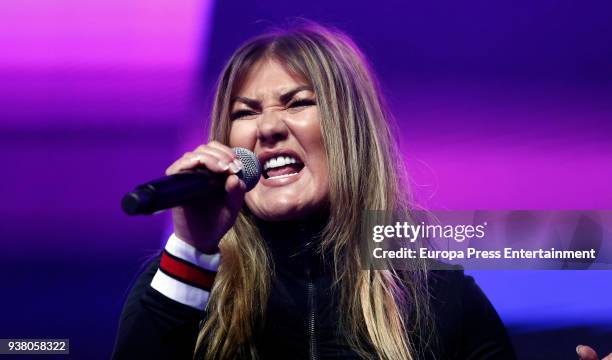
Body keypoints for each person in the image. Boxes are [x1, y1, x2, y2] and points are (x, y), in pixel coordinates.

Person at [112, 22, 519, 360]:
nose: (268, 127)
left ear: (350, 132)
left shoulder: (439, 297)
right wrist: (192, 253)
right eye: (245, 112)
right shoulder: (181, 284)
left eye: (297, 103)